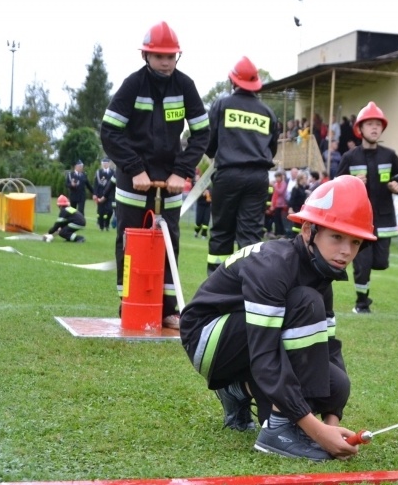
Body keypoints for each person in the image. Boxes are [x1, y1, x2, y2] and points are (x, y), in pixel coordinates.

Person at [179, 176, 375, 462]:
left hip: (251, 343)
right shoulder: (274, 266)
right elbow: (265, 355)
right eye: (336, 237)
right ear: (309, 231)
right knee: (305, 303)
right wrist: (316, 431)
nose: (346, 251)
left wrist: (330, 423)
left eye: (355, 241)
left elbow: (328, 353)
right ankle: (277, 432)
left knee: (337, 382)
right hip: (207, 339)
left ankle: (237, 391)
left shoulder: (321, 273)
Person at [100, 21, 210, 330]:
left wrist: (181, 171)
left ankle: (168, 309)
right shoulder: (133, 85)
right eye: (159, 56)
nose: (165, 62)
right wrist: (135, 169)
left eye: (171, 56)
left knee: (170, 241)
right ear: (146, 56)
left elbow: (202, 133)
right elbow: (110, 131)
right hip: (133, 178)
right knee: (130, 242)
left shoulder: (185, 86)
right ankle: (129, 304)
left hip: (170, 179)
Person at [205, 56, 279, 275]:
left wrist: (219, 154)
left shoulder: (222, 104)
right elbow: (271, 148)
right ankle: (249, 286)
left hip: (228, 174)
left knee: (221, 232)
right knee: (251, 236)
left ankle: (217, 284)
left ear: (233, 81)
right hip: (258, 178)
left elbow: (209, 142)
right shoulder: (268, 113)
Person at [336, 101, 398, 313]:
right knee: (362, 264)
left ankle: (365, 276)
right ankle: (361, 303)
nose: (374, 128)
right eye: (370, 124)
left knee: (380, 262)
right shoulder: (350, 157)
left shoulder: (390, 155)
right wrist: (352, 181)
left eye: (378, 124)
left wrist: (397, 185)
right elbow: (337, 184)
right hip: (359, 220)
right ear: (360, 129)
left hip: (383, 219)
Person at [94, 158, 115, 231]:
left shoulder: (112, 172)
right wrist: (94, 194)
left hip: (110, 195)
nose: (105, 164)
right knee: (100, 211)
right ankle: (101, 226)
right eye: (103, 163)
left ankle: (107, 224)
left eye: (106, 163)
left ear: (109, 164)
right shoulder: (98, 172)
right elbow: (96, 184)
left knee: (110, 210)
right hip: (100, 194)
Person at [193, 169, 212, 239]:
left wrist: (208, 193)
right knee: (198, 221)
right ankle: (196, 231)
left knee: (206, 221)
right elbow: (195, 194)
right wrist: (202, 194)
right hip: (200, 205)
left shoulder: (208, 186)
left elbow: (211, 191)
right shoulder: (196, 186)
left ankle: (204, 234)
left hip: (208, 205)